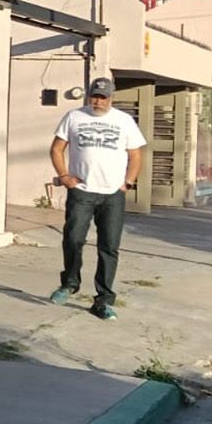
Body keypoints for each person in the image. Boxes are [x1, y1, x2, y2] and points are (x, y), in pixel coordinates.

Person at [47, 77, 146, 320]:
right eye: (95, 96)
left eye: (103, 97)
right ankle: (70, 284)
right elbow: (57, 148)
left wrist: (128, 182)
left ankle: (103, 300)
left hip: (112, 194)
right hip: (82, 191)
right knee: (73, 238)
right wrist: (65, 176)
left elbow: (135, 155)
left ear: (111, 98)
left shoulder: (124, 121)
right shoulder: (74, 117)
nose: (98, 101)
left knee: (109, 246)